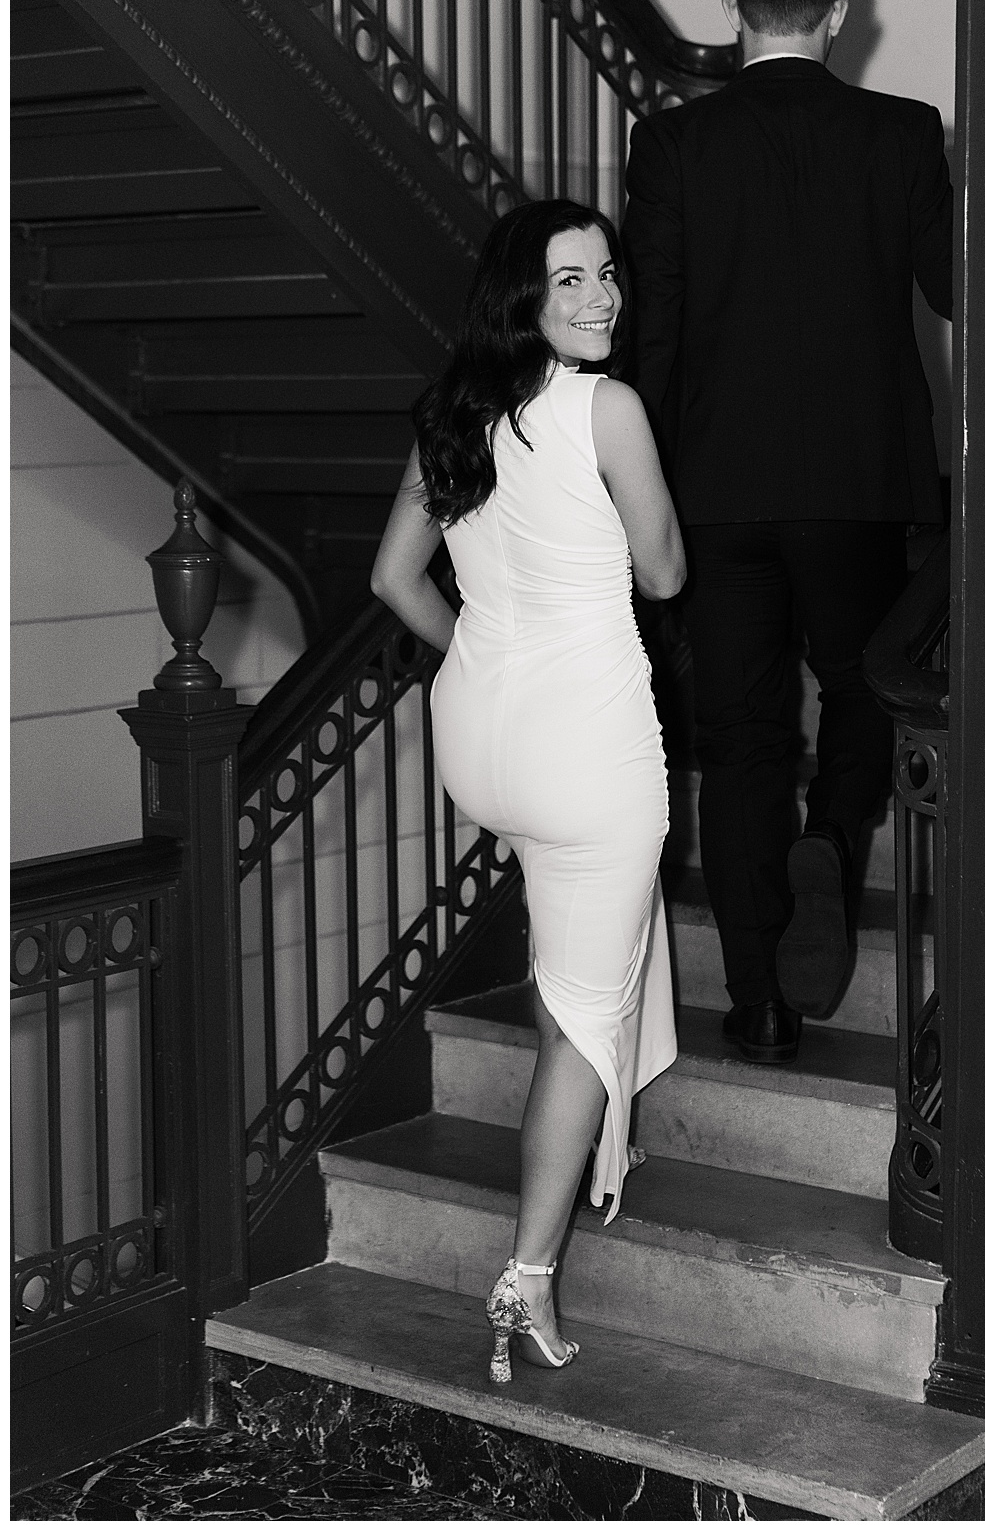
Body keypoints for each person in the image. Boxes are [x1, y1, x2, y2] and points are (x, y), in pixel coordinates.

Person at [621, 0, 952, 1065]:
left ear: (733, 9)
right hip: (857, 481)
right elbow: (961, 290)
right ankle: (832, 829)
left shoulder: (671, 147)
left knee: (742, 731)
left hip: (712, 486)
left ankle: (756, 997)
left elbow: (651, 334)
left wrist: (637, 487)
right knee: (867, 681)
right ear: (838, 16)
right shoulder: (904, 134)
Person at [370, 199, 685, 1384]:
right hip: (590, 748)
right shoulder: (609, 407)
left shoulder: (453, 412)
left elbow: (394, 577)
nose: (601, 297)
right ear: (525, 298)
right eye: (571, 282)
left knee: (574, 966)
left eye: (608, 273)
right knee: (587, 1010)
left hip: (483, 740)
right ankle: (528, 1272)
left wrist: (479, 645)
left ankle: (600, 1137)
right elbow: (664, 569)